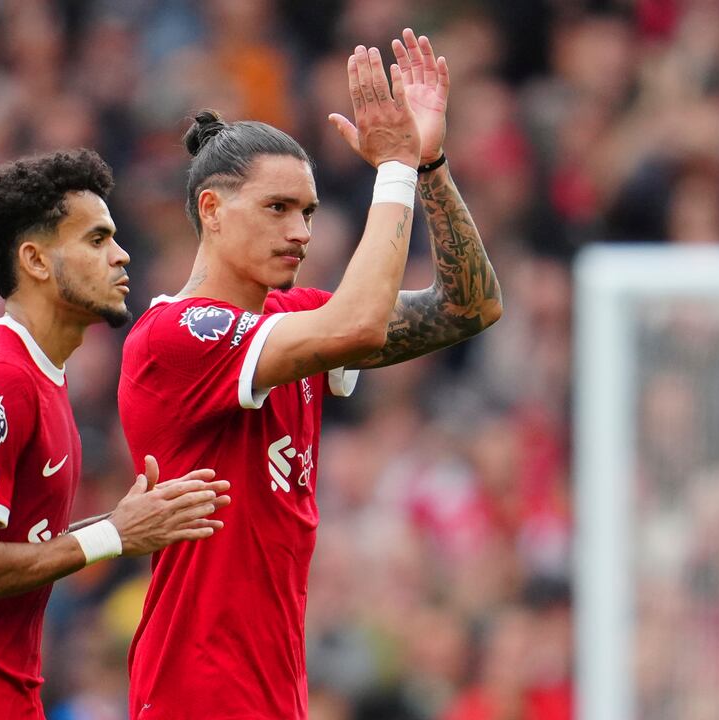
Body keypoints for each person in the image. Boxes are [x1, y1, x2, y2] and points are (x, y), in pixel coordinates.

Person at [117, 32, 502, 719]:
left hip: (274, 695)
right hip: (198, 697)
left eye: (309, 213)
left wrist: (428, 162)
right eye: (277, 208)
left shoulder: (294, 322)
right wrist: (390, 169)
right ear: (211, 209)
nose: (302, 231)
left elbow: (469, 306)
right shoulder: (180, 336)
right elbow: (358, 324)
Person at [0, 149, 231, 720]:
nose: (121, 254)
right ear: (35, 260)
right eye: (96, 240)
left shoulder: (39, 378)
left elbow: (11, 547)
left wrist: (122, 527)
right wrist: (111, 536)